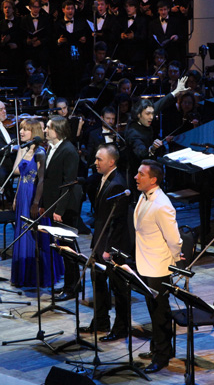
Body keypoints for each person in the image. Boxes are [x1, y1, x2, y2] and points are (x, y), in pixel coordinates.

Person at [134, 159, 182, 374]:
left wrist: (175, 261)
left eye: (141, 174)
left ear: (153, 180)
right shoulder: (143, 196)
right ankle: (158, 347)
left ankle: (162, 355)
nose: (136, 177)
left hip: (159, 267)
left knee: (160, 314)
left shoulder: (162, 204)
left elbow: (174, 239)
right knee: (154, 312)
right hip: (145, 264)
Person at [79, 144, 130, 339]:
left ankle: (121, 327)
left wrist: (108, 249)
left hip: (112, 246)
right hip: (100, 242)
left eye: (99, 159)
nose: (95, 162)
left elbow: (116, 223)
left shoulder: (117, 184)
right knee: (98, 282)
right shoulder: (103, 178)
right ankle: (101, 322)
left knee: (118, 288)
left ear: (111, 161)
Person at [11, 118, 64, 287]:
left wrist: (36, 202)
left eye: (25, 129)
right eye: (21, 129)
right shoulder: (23, 149)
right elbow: (18, 174)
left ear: (34, 132)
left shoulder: (40, 152)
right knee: (23, 231)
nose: (21, 132)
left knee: (36, 235)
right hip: (22, 193)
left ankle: (39, 275)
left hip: (34, 194)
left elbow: (41, 180)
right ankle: (24, 275)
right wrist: (16, 197)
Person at [41, 116, 83, 301]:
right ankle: (71, 284)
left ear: (57, 130)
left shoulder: (69, 151)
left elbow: (68, 184)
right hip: (54, 205)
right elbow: (50, 180)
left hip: (65, 208)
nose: (45, 130)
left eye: (48, 127)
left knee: (68, 249)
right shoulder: (52, 147)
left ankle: (71, 288)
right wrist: (45, 205)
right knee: (63, 247)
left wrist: (59, 209)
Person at [124, 75, 188, 191]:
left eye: (152, 114)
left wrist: (176, 92)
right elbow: (141, 153)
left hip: (150, 165)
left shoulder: (144, 115)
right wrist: (152, 148)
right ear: (139, 115)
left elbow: (160, 104)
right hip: (138, 172)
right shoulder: (134, 134)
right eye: (148, 114)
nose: (151, 117)